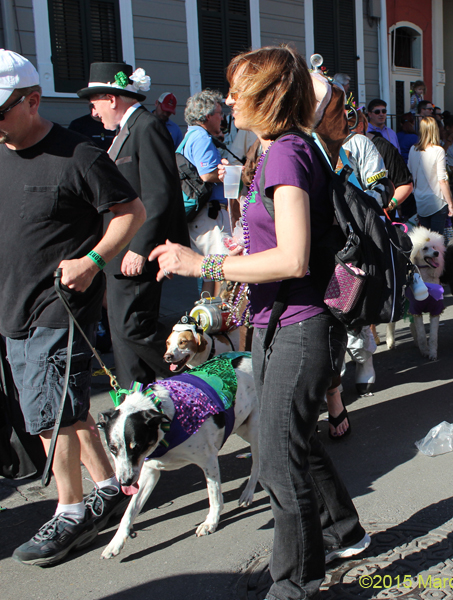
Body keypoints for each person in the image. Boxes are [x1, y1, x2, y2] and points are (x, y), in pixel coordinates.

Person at [150, 45, 369, 600]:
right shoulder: (277, 148)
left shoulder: (287, 153)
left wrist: (202, 264)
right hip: (278, 322)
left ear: (270, 97)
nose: (228, 100)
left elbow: (293, 258)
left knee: (275, 459)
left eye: (237, 90)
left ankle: (294, 583)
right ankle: (344, 531)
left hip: (300, 324)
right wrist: (245, 247)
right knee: (291, 444)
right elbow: (282, 239)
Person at [0, 49, 146, 566]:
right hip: (11, 304)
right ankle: (107, 486)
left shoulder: (79, 154)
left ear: (32, 100)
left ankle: (70, 510)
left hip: (59, 304)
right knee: (64, 408)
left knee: (50, 414)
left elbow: (131, 211)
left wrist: (92, 260)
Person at [79, 62, 190, 389]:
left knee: (133, 329)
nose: (94, 113)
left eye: (95, 103)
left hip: (135, 252)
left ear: (112, 98)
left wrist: (141, 248)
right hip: (118, 253)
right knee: (122, 334)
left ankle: (196, 377)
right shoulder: (127, 131)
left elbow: (159, 194)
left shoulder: (147, 127)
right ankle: (136, 400)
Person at [179, 89, 231, 297]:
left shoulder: (190, 135)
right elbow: (207, 174)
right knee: (221, 269)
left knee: (209, 273)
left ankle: (208, 311)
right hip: (210, 215)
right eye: (219, 113)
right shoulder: (201, 137)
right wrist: (229, 172)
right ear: (207, 115)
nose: (222, 118)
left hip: (201, 215)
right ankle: (218, 312)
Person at [408, 116, 453, 232]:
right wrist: (450, 203)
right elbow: (442, 180)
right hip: (437, 201)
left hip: (420, 199)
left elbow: (410, 171)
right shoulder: (438, 150)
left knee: (426, 239)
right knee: (437, 238)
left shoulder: (413, 149)